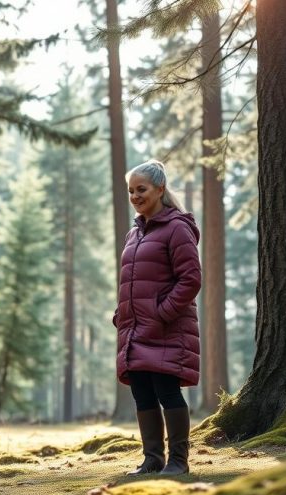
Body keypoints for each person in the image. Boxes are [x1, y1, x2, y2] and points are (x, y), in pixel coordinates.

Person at [113, 160, 201, 476]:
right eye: (131, 191)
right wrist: (121, 313)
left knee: (166, 389)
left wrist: (161, 313)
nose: (135, 196)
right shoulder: (134, 233)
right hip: (135, 329)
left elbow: (191, 279)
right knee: (142, 391)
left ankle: (179, 460)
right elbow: (133, 279)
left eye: (142, 189)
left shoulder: (177, 227)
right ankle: (153, 459)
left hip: (166, 327)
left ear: (160, 189)